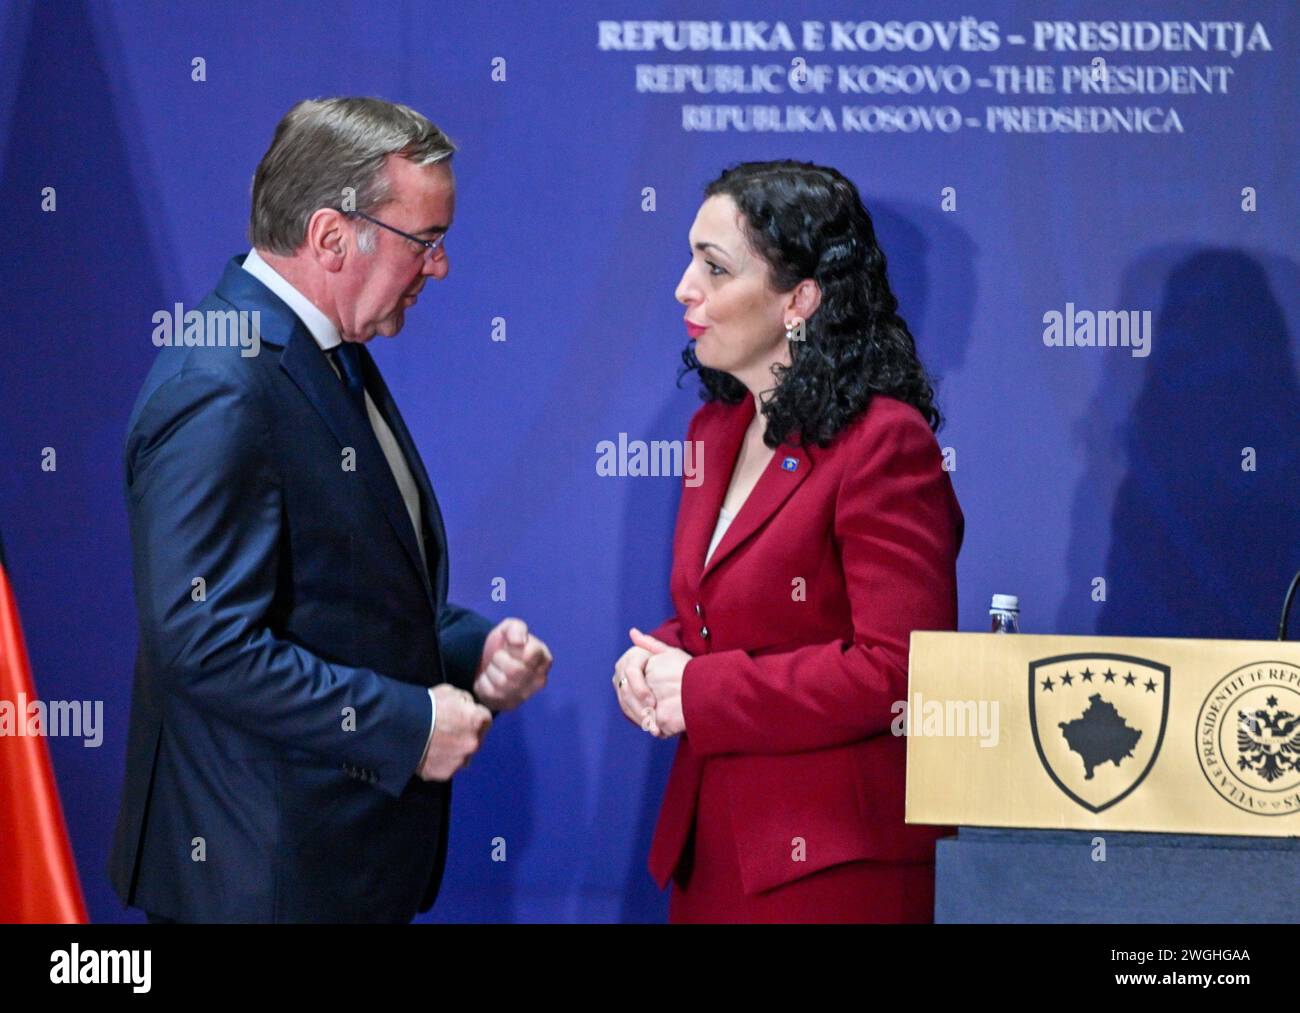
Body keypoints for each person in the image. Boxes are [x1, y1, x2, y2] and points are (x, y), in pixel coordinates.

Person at [108, 97, 552, 923]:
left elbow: (334, 590)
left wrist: (468, 647)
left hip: (330, 874)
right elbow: (202, 642)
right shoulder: (221, 385)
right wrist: (410, 725)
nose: (442, 268)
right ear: (330, 236)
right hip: (258, 882)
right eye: (426, 242)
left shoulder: (323, 351)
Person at [612, 160, 964, 923]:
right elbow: (738, 619)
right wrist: (657, 659)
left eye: (714, 266)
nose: (684, 287)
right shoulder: (715, 429)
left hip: (833, 865)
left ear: (799, 298)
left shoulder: (883, 443)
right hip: (714, 852)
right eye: (689, 258)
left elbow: (903, 669)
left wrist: (698, 690)